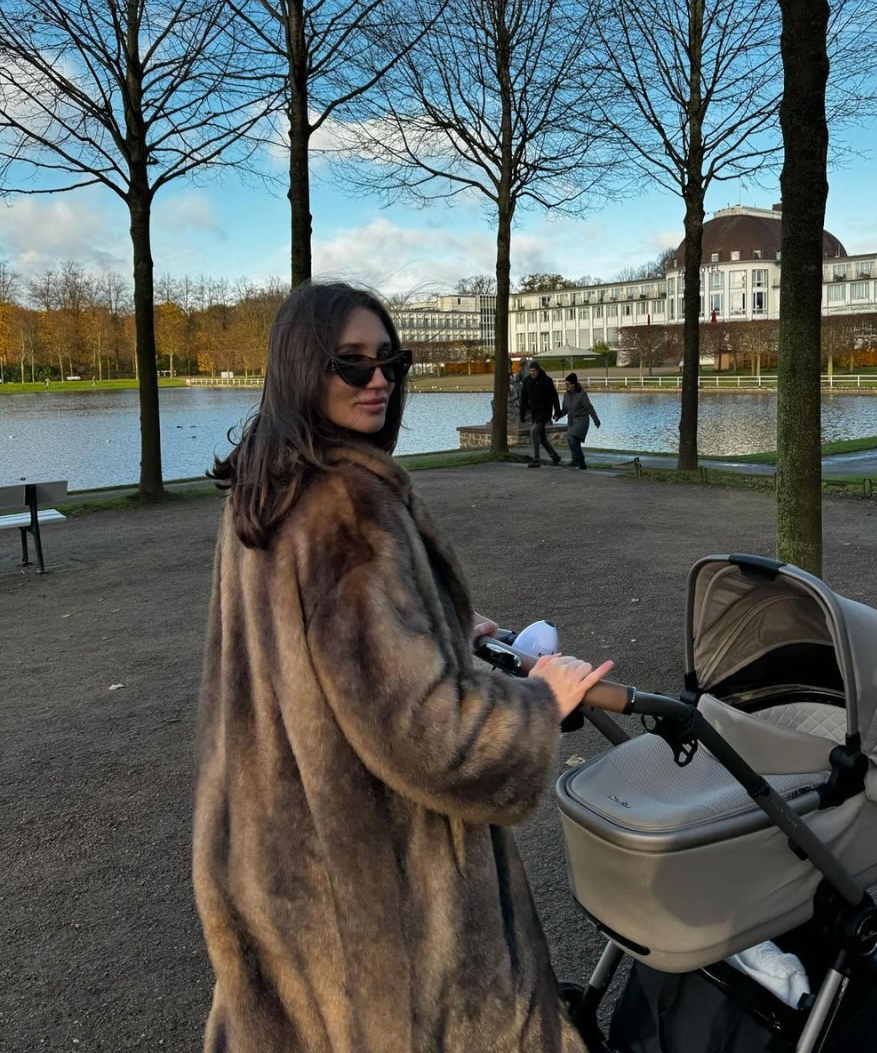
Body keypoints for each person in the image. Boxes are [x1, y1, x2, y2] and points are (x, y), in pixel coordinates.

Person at [194, 281, 614, 1053]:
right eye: (351, 363)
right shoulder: (349, 505)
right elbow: (424, 732)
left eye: (389, 359)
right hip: (374, 879)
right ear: (301, 369)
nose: (378, 378)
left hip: (278, 854)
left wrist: (446, 629)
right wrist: (537, 703)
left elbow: (324, 655)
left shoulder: (267, 484)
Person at [519, 359, 562, 467]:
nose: (532, 372)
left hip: (545, 411)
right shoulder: (527, 381)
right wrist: (522, 413)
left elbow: (554, 397)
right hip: (535, 412)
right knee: (541, 437)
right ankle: (554, 456)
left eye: (534, 370)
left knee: (534, 431)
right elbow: (523, 398)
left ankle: (536, 459)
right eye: (530, 370)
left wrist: (557, 412)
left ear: (538, 370)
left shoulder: (546, 380)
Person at [558, 372, 601, 470]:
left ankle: (575, 460)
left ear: (573, 384)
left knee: (571, 438)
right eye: (565, 384)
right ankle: (582, 464)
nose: (566, 386)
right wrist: (558, 416)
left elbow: (589, 408)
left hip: (582, 421)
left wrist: (596, 420)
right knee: (575, 442)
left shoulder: (581, 394)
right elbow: (565, 410)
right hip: (571, 422)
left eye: (568, 384)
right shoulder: (566, 395)